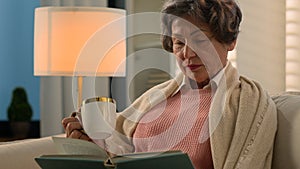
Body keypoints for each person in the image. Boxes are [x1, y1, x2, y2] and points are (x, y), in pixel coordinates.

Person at [62, 0, 277, 168]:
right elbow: (116, 155)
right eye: (179, 42)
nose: (187, 54)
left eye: (200, 41)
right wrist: (89, 143)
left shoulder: (249, 101)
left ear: (230, 41)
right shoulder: (155, 97)